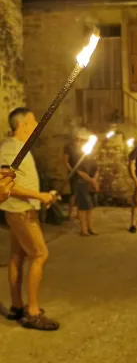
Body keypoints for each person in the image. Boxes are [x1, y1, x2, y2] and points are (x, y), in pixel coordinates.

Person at [0, 107, 59, 330]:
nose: (37, 125)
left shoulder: (21, 148)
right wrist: (39, 196)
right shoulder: (10, 149)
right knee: (40, 254)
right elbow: (6, 184)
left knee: (17, 255)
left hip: (22, 209)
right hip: (20, 212)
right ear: (22, 125)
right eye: (33, 121)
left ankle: (16, 306)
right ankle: (33, 312)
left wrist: (45, 197)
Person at [66, 129, 99, 236]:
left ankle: (90, 228)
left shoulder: (91, 155)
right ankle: (83, 229)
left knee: (90, 207)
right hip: (80, 182)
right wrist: (92, 181)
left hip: (90, 183)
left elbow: (96, 168)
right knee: (83, 207)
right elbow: (79, 171)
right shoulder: (78, 156)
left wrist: (94, 179)